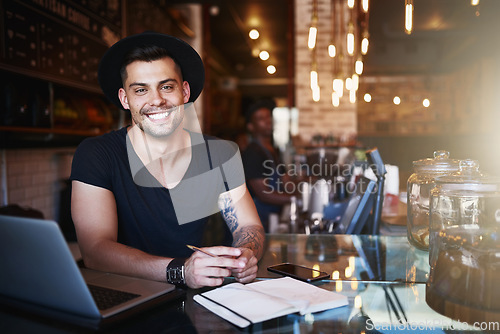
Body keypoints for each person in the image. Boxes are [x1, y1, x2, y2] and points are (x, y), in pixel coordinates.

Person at [70, 32, 265, 289]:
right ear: (124, 99)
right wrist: (180, 271)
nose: (157, 100)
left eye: (167, 86)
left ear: (184, 92)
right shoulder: (97, 154)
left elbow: (248, 225)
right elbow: (95, 251)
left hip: (205, 298)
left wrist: (246, 254)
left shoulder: (219, 154)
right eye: (141, 90)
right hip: (127, 301)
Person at [241, 100, 293, 232]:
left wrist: (307, 186)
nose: (267, 121)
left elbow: (285, 180)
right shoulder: (252, 153)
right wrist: (296, 199)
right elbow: (264, 194)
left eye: (268, 116)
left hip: (274, 216)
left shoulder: (273, 150)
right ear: (251, 127)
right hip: (258, 221)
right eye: (261, 118)